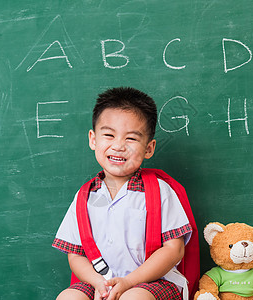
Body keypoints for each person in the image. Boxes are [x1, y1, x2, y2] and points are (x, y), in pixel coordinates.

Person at [52, 87, 192, 300]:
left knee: (133, 298)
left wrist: (128, 282)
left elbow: (174, 250)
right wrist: (98, 283)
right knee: (68, 298)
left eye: (131, 139)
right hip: (101, 282)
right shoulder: (84, 197)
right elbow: (76, 255)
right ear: (93, 139)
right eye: (108, 135)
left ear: (149, 148)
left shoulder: (160, 191)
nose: (118, 146)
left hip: (153, 282)